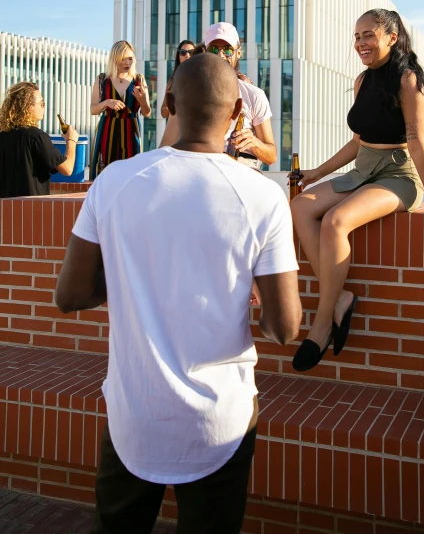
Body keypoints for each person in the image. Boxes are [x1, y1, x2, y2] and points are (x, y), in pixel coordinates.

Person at [55, 53, 302, 534]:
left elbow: (70, 295)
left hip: (135, 415)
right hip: (221, 423)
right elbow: (285, 327)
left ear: (167, 104)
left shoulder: (114, 183)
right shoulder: (264, 196)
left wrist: (135, 272)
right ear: (236, 115)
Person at [291, 8, 424, 373]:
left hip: (398, 177)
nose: (360, 42)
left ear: (392, 37)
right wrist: (315, 173)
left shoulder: (409, 82)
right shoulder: (362, 81)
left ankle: (322, 322)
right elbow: (356, 142)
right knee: (299, 208)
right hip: (363, 170)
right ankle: (341, 295)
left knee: (335, 221)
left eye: (368, 35)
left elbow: (418, 143)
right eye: (357, 36)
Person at [160, 23, 276, 170]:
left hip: (242, 170)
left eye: (227, 50)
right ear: (204, 51)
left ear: (238, 53)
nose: (220, 55)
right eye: (214, 49)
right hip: (200, 167)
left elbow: (271, 156)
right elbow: (166, 144)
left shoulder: (254, 95)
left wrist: (254, 142)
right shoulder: (189, 90)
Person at [0, 81, 79, 198]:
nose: (44, 107)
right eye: (41, 103)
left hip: (6, 209)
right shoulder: (36, 136)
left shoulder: (3, 136)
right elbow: (67, 169)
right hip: (32, 208)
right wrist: (71, 141)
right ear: (27, 106)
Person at [89, 40, 151, 180]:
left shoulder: (139, 79)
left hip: (131, 129)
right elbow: (93, 110)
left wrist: (142, 100)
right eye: (123, 59)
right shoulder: (102, 79)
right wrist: (107, 102)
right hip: (108, 128)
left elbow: (147, 113)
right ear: (115, 58)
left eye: (130, 58)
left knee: (131, 173)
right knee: (106, 173)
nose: (127, 63)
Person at [159, 40, 196, 119]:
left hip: (195, 127)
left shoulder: (202, 79)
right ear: (178, 57)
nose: (187, 55)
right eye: (183, 52)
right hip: (175, 127)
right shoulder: (173, 81)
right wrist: (172, 107)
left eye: (191, 52)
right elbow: (163, 112)